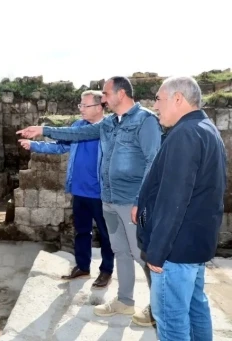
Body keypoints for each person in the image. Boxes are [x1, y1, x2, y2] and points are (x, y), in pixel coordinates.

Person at [16, 76, 162, 327]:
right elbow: (77, 132)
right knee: (121, 252)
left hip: (131, 202)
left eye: (106, 94)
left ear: (121, 94)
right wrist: (44, 130)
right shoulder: (109, 124)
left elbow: (154, 162)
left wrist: (141, 200)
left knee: (142, 255)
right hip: (109, 200)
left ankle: (159, 310)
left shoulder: (145, 120)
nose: (104, 99)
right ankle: (125, 301)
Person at [136, 76, 226, 341]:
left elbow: (173, 200)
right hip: (195, 244)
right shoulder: (205, 128)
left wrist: (157, 252)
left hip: (175, 249)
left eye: (158, 99)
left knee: (171, 320)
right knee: (196, 306)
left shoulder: (185, 134)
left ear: (178, 99)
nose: (155, 106)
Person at [18, 90, 114, 289]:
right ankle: (82, 266)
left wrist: (43, 130)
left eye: (84, 106)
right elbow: (60, 147)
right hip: (79, 191)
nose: (80, 109)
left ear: (98, 107)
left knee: (106, 235)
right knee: (82, 231)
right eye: (80, 105)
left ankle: (106, 271)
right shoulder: (78, 126)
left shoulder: (109, 128)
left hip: (101, 193)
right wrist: (34, 145)